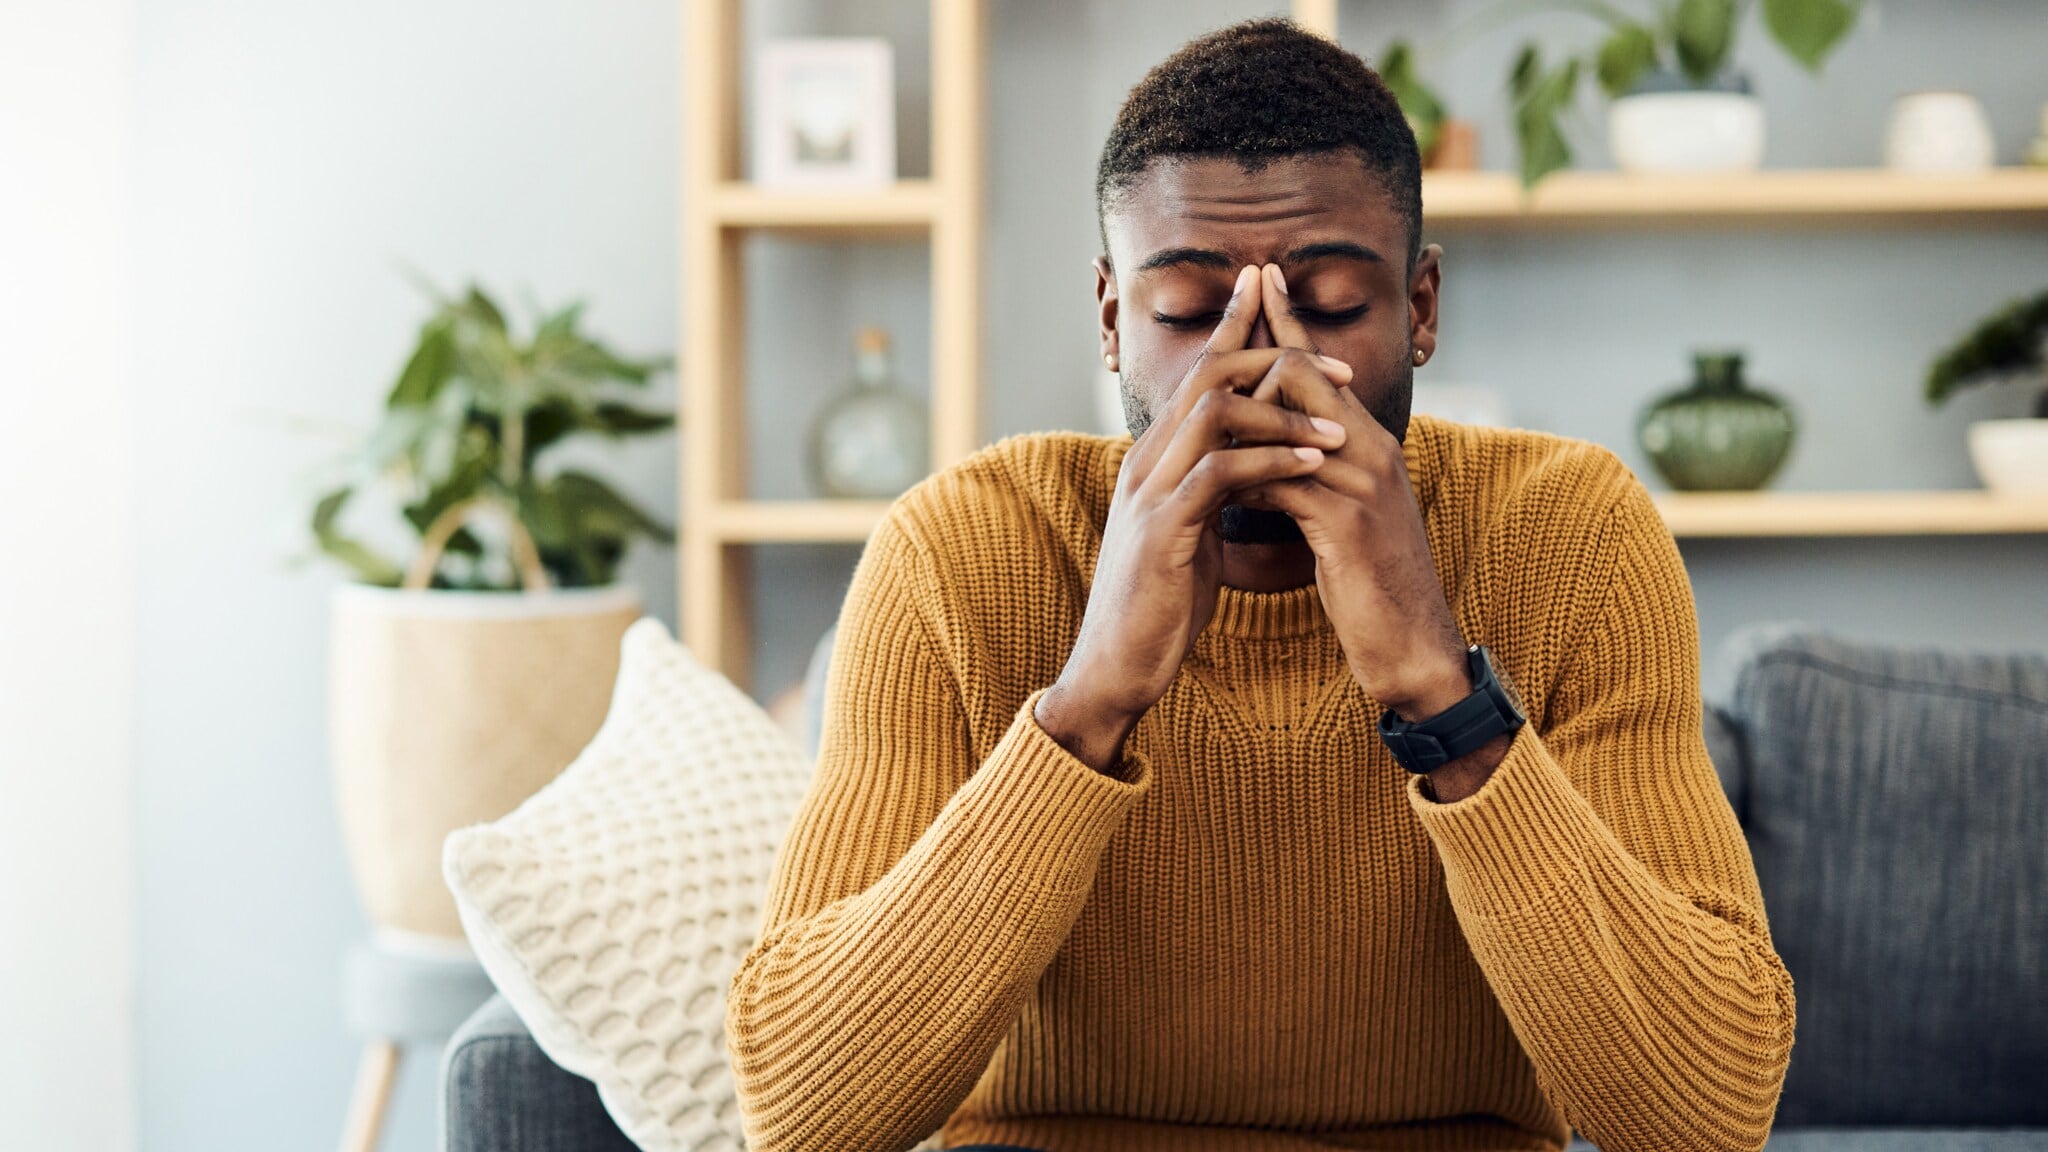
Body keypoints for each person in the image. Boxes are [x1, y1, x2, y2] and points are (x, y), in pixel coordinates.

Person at [725, 18, 1794, 1152]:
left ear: (1419, 308)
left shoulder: (1569, 534)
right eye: (1186, 314)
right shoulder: (958, 549)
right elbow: (802, 1119)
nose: (1260, 372)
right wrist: (1086, 705)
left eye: (1329, 303)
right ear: (1109, 320)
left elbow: (1706, 1118)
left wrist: (1441, 694)